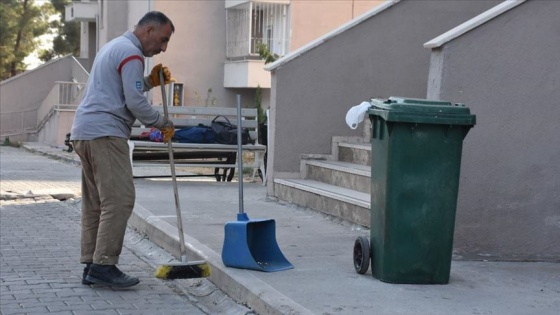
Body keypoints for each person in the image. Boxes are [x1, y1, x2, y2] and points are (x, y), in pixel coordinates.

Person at [70, 11, 176, 287]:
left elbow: (125, 86)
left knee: (96, 204)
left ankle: (91, 265)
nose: (163, 48)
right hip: (105, 133)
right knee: (120, 200)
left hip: (85, 132)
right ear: (149, 30)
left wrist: (152, 81)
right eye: (163, 40)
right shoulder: (132, 54)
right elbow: (135, 102)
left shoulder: (115, 46)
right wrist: (162, 123)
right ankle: (104, 265)